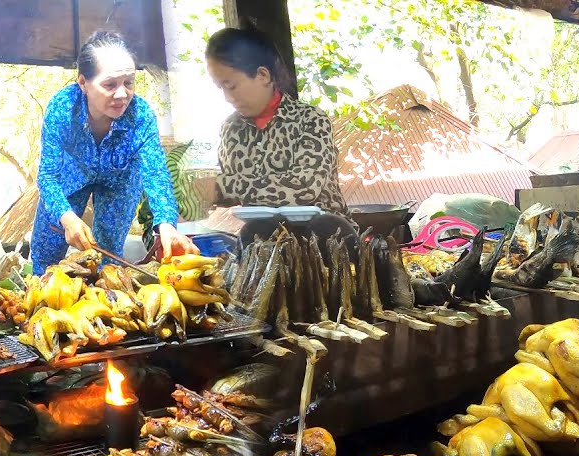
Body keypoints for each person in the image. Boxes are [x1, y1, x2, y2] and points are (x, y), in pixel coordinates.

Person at [31, 31, 196, 275]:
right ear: (83, 83)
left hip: (121, 179)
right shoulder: (62, 109)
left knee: (108, 254)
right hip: (73, 173)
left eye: (129, 82)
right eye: (110, 85)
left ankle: (108, 294)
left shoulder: (141, 116)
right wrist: (66, 217)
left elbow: (156, 174)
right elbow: (47, 176)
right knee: (47, 249)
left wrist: (166, 224)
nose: (122, 94)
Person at [205, 27, 355, 246]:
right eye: (221, 88)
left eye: (232, 86)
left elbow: (304, 187)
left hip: (330, 241)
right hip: (263, 241)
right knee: (250, 236)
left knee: (324, 230)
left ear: (263, 75)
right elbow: (233, 195)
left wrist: (218, 188)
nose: (228, 97)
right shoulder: (231, 129)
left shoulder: (311, 120)